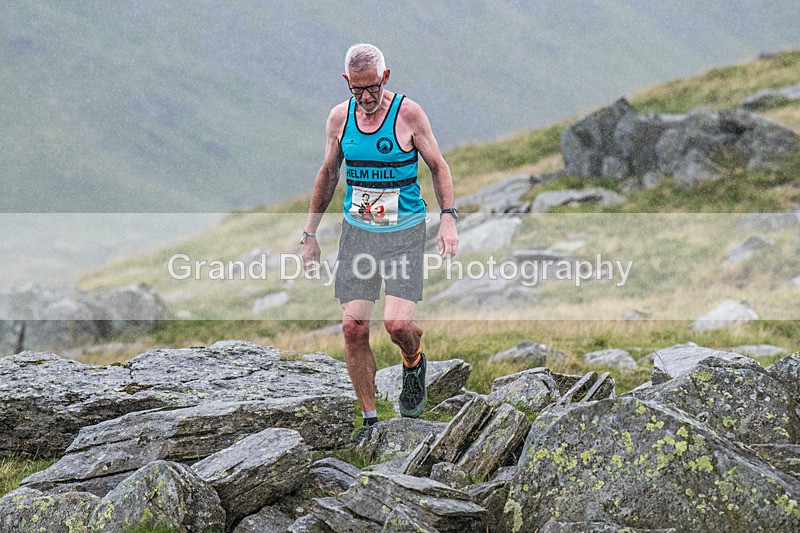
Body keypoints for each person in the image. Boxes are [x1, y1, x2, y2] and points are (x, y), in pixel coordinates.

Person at [300, 43, 459, 442]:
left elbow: (439, 167)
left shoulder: (408, 114)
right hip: (359, 233)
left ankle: (413, 359)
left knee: (397, 323)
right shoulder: (340, 119)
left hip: (405, 232)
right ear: (346, 83)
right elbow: (327, 174)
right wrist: (310, 234)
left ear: (385, 78)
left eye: (372, 87)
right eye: (357, 90)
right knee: (353, 327)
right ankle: (370, 421)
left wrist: (448, 220)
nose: (366, 98)